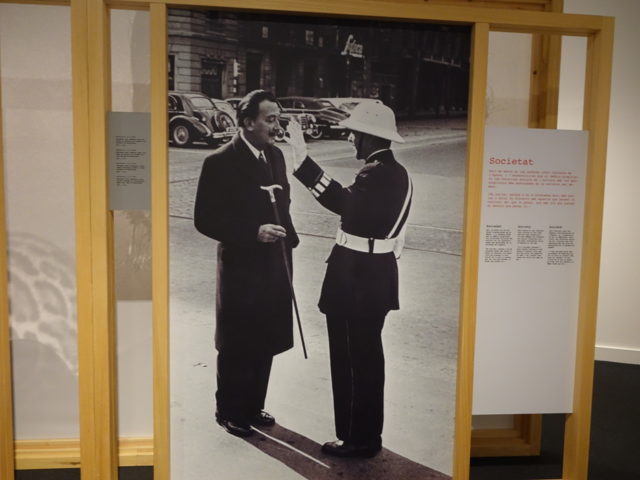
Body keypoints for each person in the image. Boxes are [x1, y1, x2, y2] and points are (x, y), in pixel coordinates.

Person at [286, 102, 412, 457]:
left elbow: (343, 202)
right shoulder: (395, 172)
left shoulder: (375, 173)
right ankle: (363, 435)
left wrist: (302, 159)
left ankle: (358, 439)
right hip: (373, 275)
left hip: (357, 280)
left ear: (370, 136)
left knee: (354, 362)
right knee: (365, 359)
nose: (350, 138)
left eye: (354, 133)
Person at [194, 90, 299, 438]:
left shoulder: (276, 155)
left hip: (273, 263)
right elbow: (204, 219)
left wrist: (290, 241)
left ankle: (253, 405)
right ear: (249, 122)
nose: (277, 126)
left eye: (278, 118)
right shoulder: (219, 161)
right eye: (271, 119)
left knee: (265, 336)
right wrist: (253, 232)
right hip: (240, 267)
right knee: (237, 340)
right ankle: (229, 410)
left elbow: (283, 203)